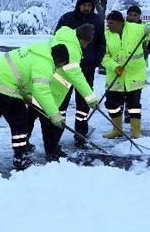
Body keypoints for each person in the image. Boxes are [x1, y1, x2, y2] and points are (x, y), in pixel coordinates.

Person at [0, 41, 70, 170]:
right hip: (4, 83)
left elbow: (22, 76)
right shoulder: (44, 64)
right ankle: (20, 157)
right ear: (58, 60)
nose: (59, 68)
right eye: (61, 65)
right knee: (21, 120)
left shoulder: (38, 53)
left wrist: (26, 96)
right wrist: (55, 116)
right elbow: (42, 91)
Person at [25, 25, 99, 161]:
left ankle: (26, 145)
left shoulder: (64, 38)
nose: (86, 45)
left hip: (42, 85)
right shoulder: (71, 49)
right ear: (80, 38)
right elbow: (76, 76)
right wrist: (91, 99)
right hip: (49, 89)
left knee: (31, 117)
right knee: (48, 122)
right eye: (86, 42)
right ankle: (51, 151)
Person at [53, 0, 105, 147]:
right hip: (64, 70)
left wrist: (96, 60)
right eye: (84, 5)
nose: (87, 8)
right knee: (61, 102)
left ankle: (81, 133)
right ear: (78, 5)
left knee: (83, 103)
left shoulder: (97, 21)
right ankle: (56, 133)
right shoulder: (67, 19)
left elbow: (102, 44)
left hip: (86, 69)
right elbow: (56, 40)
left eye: (90, 5)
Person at [100, 11, 150, 139]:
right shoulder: (106, 35)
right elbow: (103, 56)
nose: (108, 25)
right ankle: (117, 130)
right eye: (107, 23)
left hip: (134, 76)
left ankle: (135, 132)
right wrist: (114, 66)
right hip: (115, 76)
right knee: (111, 104)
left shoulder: (135, 29)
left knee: (134, 106)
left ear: (120, 22)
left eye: (111, 23)